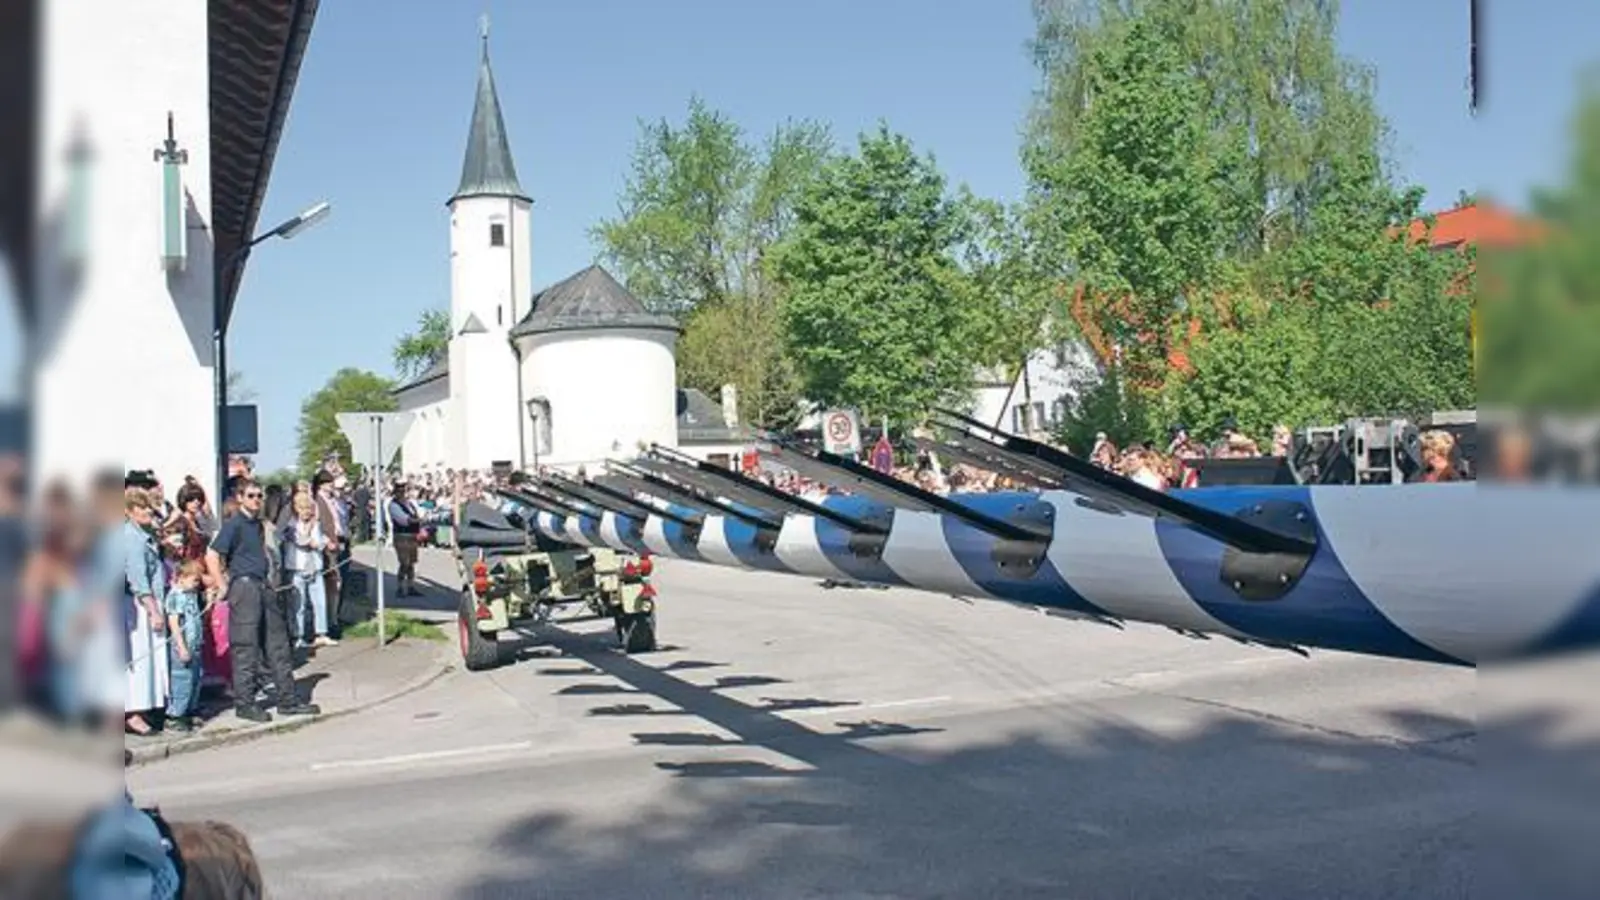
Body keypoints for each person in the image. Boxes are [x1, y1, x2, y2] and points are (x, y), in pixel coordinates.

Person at [206, 477, 318, 723]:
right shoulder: (234, 524)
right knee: (246, 647)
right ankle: (245, 703)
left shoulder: (258, 524)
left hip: (264, 586)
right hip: (244, 587)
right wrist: (222, 584)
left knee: (278, 644)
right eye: (251, 495)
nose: (256, 500)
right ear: (240, 498)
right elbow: (212, 555)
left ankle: (287, 700)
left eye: (259, 496)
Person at [388, 482, 422, 596]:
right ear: (396, 492)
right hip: (401, 536)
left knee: (411, 562)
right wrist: (418, 520)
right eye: (400, 491)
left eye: (404, 491)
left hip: (412, 535)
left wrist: (419, 519)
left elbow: (415, 515)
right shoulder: (393, 505)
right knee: (404, 562)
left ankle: (411, 586)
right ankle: (400, 587)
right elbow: (402, 520)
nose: (403, 493)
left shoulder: (409, 504)